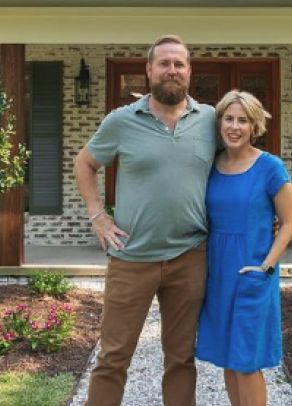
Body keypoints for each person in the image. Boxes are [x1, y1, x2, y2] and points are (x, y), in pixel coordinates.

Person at [74, 35, 218, 406]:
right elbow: (84, 163)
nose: (172, 70)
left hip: (190, 256)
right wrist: (98, 217)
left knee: (182, 358)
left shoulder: (210, 120)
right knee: (113, 357)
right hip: (131, 257)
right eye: (164, 63)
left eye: (179, 64)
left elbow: (240, 162)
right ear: (149, 70)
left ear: (189, 71)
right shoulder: (121, 121)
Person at [196, 90, 292, 406]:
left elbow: (289, 222)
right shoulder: (210, 166)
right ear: (220, 123)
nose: (235, 127)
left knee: (246, 363)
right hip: (218, 275)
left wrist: (265, 266)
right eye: (229, 119)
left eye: (243, 120)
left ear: (254, 126)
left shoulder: (270, 167)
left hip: (252, 272)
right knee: (228, 358)